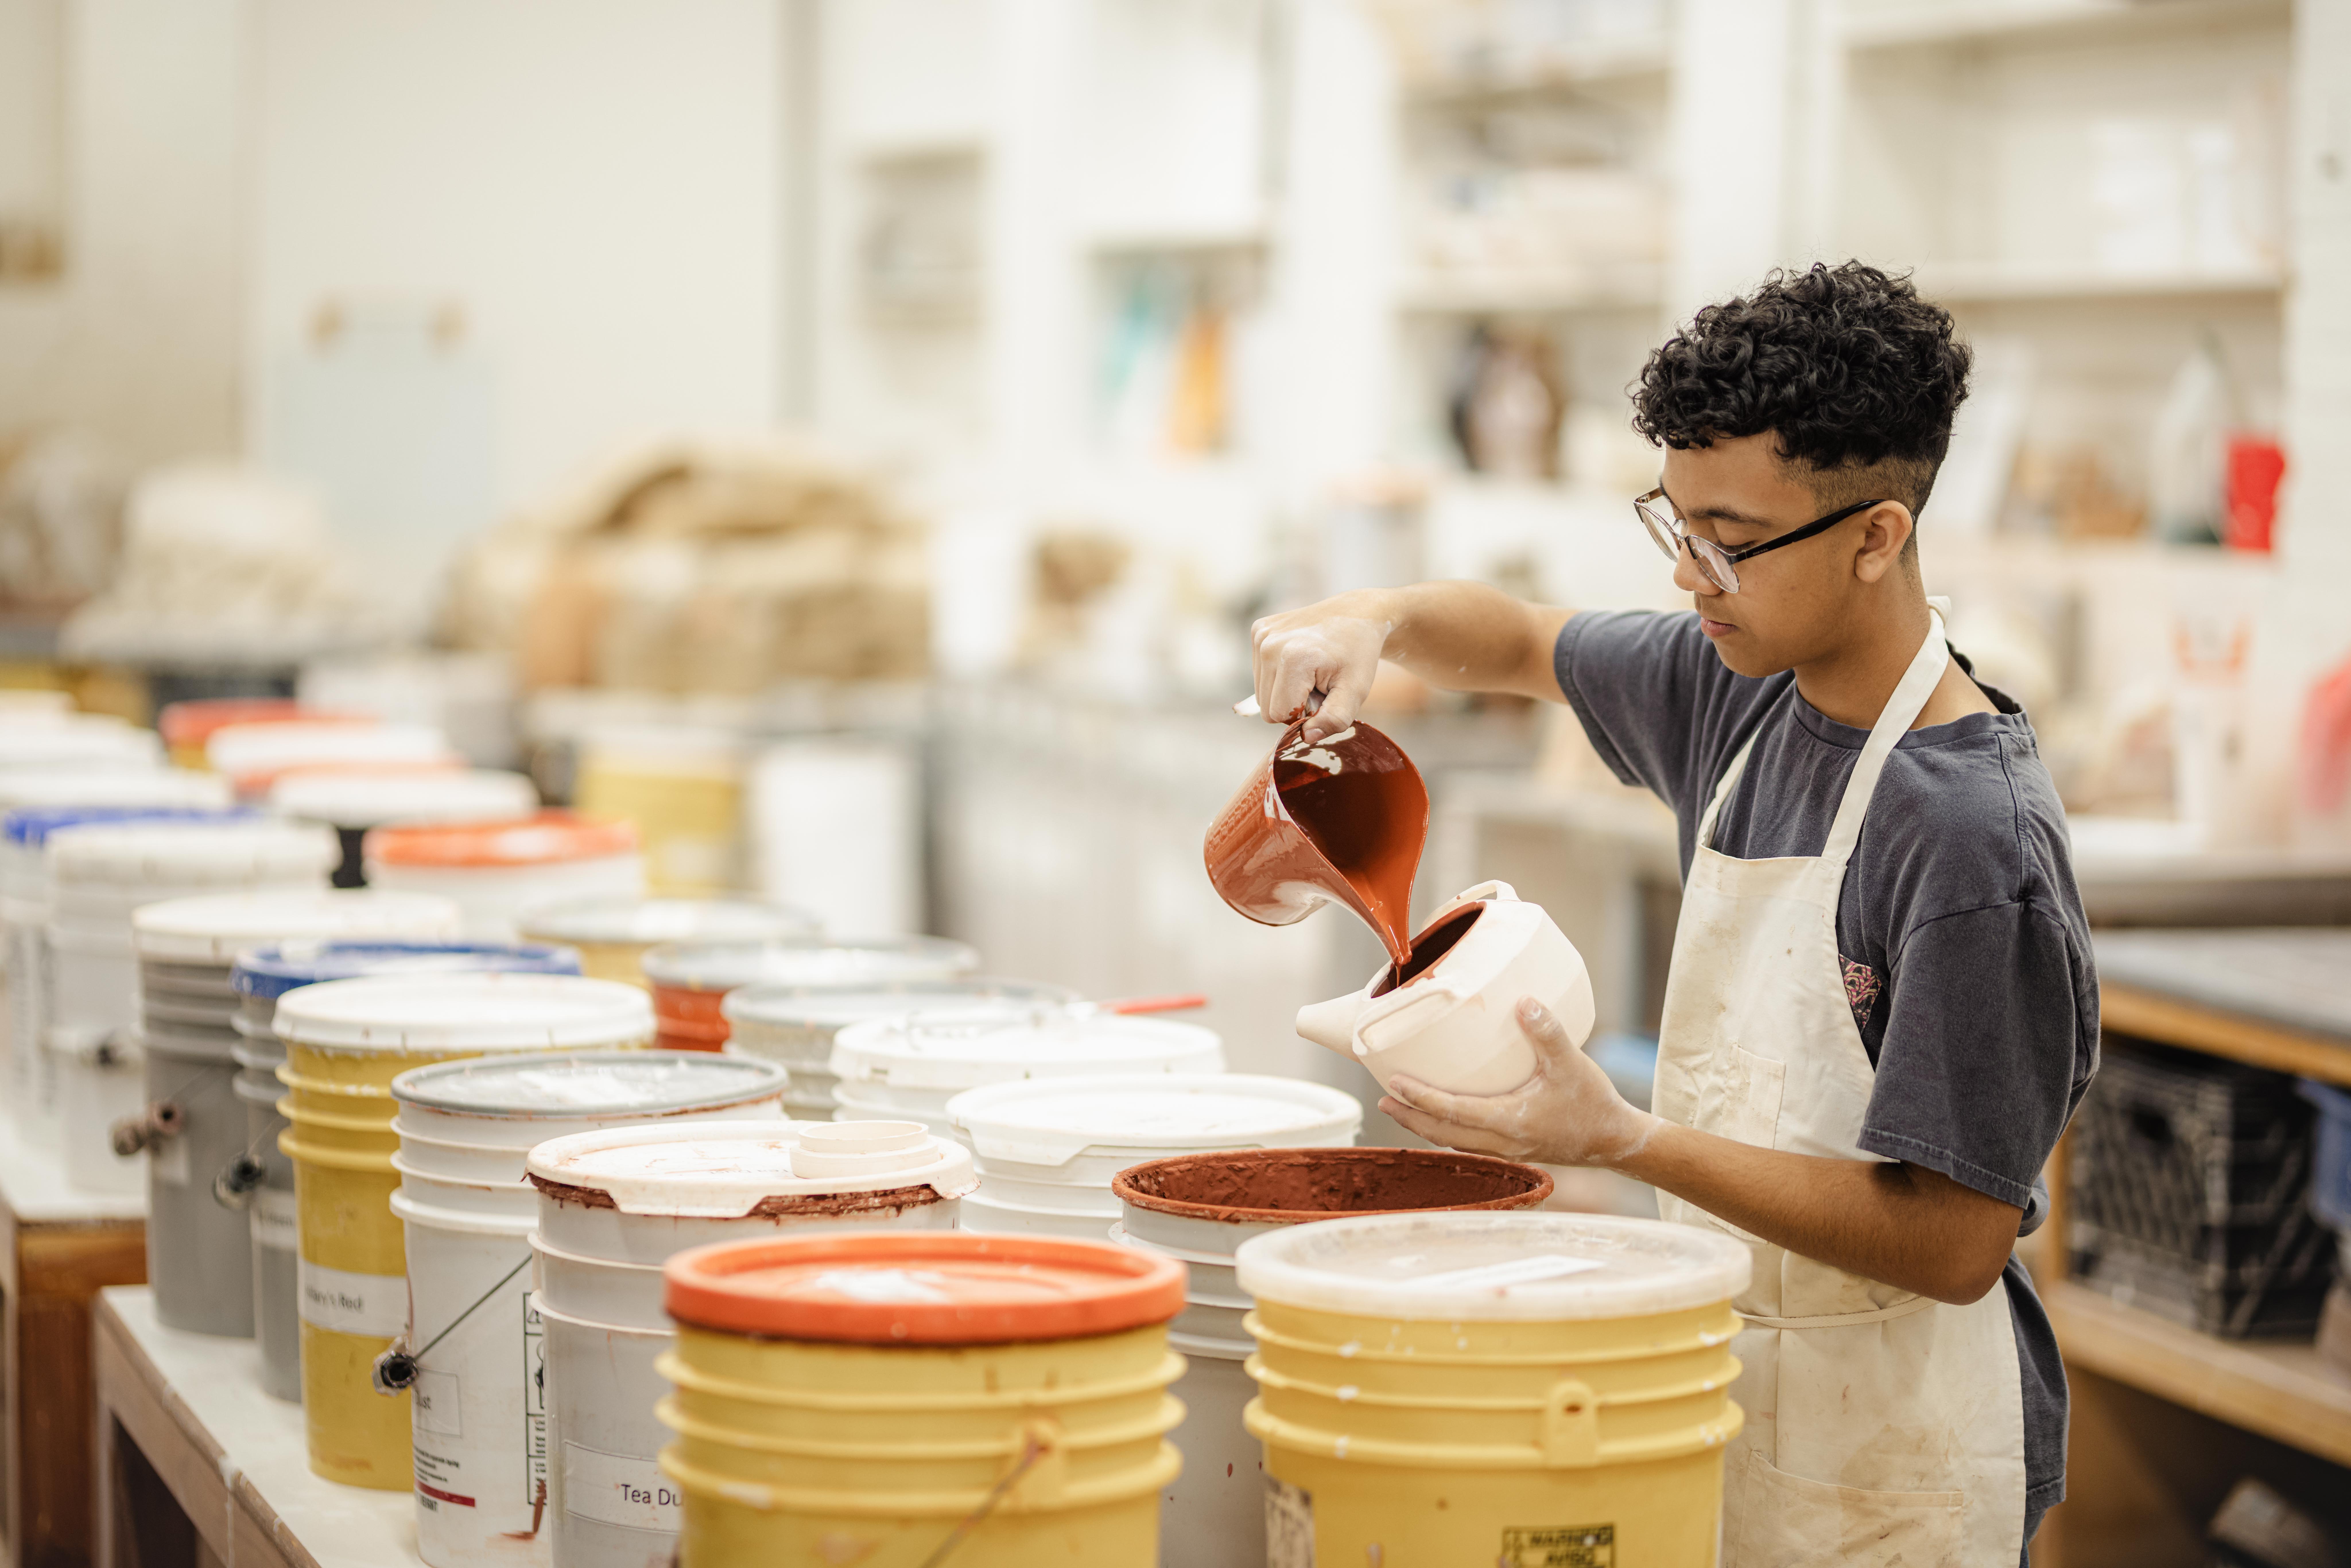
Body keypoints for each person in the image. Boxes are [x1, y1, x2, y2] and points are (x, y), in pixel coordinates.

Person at [1248, 262, 2095, 1567]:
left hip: (1898, 1460)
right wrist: (1373, 617)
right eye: (1674, 524)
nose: (1693, 578)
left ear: (1875, 536)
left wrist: (1623, 1140)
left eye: (1728, 540)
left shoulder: (1969, 839)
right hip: (1719, 1384)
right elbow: (1525, 640)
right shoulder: (1744, 689)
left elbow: (1950, 1236)